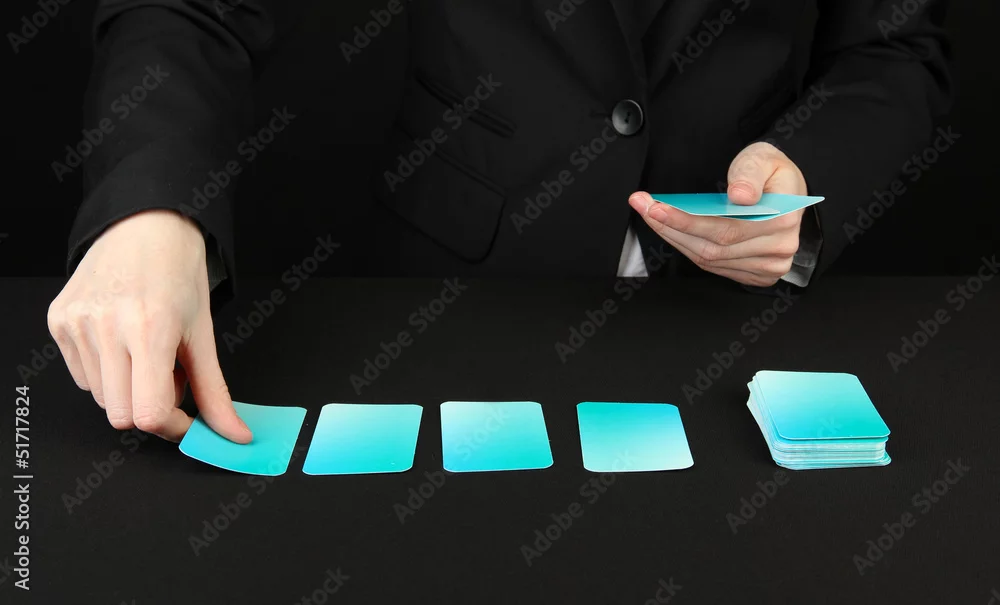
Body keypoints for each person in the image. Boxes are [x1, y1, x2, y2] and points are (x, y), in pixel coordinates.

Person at [47, 0, 952, 443]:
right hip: (441, 309)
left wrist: (806, 180)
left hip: (738, 330)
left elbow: (896, 47)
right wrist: (148, 204)